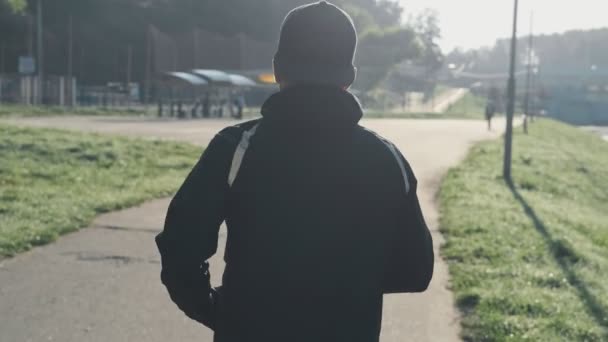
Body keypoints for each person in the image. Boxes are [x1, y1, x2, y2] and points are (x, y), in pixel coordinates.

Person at [156, 2, 434, 342]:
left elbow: (180, 249)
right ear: (350, 77)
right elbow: (416, 271)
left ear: (277, 69)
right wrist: (345, 290)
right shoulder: (386, 158)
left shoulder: (236, 147)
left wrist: (218, 312)